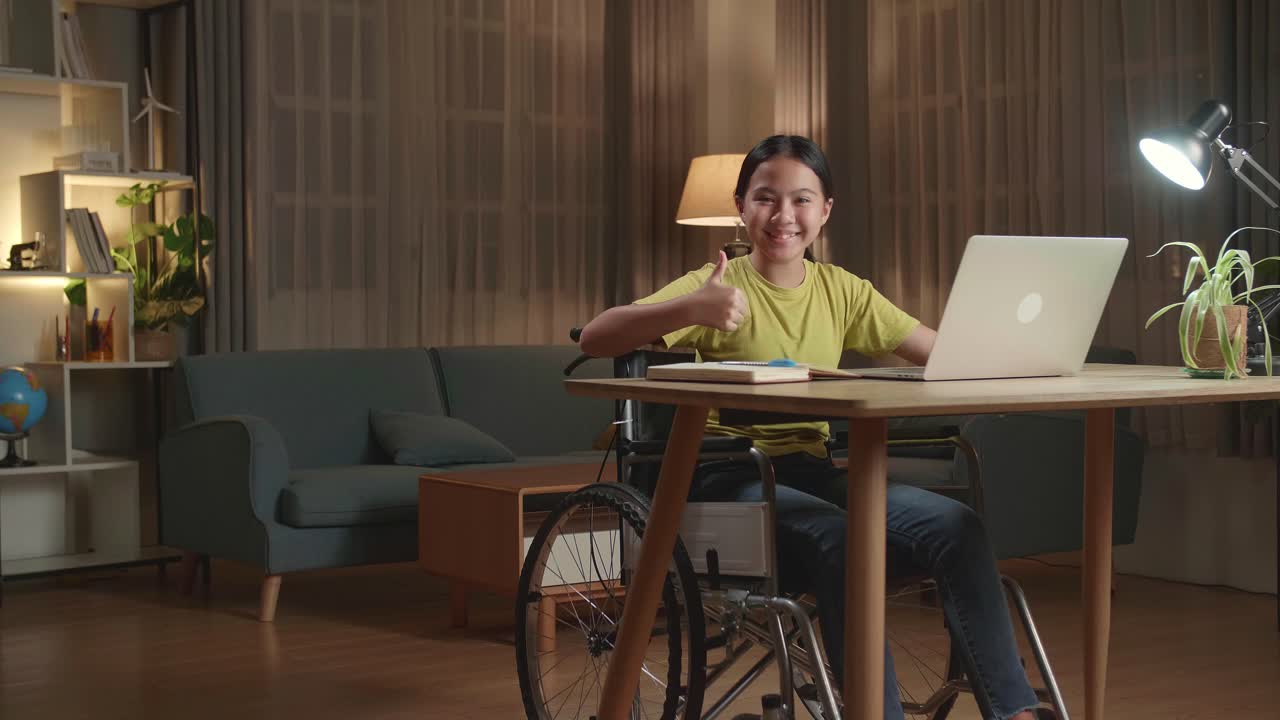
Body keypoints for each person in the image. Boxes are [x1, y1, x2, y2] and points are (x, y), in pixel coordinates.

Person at [579, 135, 1042, 720]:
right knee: (842, 536)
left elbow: (939, 352)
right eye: (765, 199)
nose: (783, 217)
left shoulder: (842, 291)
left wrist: (1022, 350)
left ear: (826, 210)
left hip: (811, 474)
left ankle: (1015, 712)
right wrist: (688, 310)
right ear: (741, 207)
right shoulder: (718, 285)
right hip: (726, 478)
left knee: (959, 525)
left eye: (802, 200)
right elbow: (595, 337)